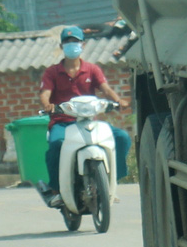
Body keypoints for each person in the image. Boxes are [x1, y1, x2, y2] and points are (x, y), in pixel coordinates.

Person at [38, 26, 130, 205]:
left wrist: (119, 101)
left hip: (88, 122)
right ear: (62, 46)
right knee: (56, 144)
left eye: (75, 42)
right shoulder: (52, 72)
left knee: (122, 138)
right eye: (68, 42)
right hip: (62, 123)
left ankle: (112, 181)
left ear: (83, 45)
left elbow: (105, 89)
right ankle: (56, 190)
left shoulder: (92, 69)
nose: (72, 45)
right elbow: (45, 93)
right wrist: (47, 105)